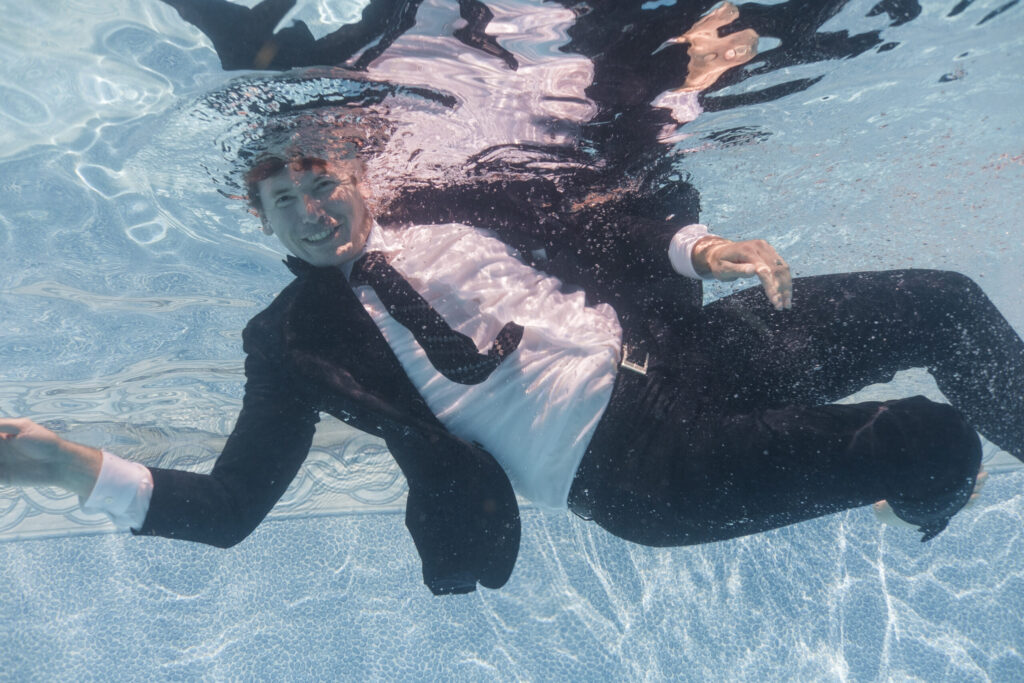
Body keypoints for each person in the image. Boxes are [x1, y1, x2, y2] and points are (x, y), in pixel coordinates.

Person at [3, 2, 1023, 596]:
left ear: (358, 176)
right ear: (259, 218)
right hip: (637, 469)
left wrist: (697, 243)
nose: (314, 210)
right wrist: (56, 462)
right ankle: (917, 503)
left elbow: (607, 216)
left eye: (324, 184)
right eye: (286, 201)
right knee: (934, 446)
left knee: (944, 300)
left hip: (678, 359)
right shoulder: (290, 342)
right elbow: (226, 509)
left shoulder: (449, 205)